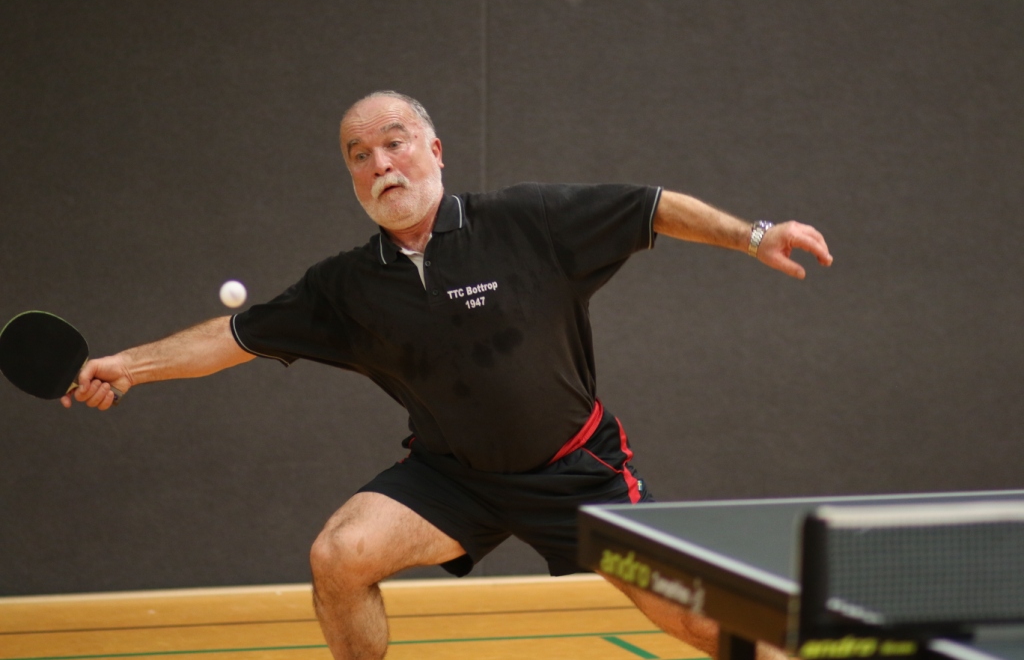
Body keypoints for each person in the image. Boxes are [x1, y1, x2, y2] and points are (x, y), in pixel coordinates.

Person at [64, 90, 833, 660]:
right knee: (339, 555)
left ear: (434, 151)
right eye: (358, 155)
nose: (379, 164)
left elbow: (651, 208)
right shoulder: (346, 287)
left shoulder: (526, 222)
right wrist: (126, 367)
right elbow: (234, 336)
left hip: (576, 474)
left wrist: (753, 234)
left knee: (705, 619)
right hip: (451, 479)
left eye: (393, 143)